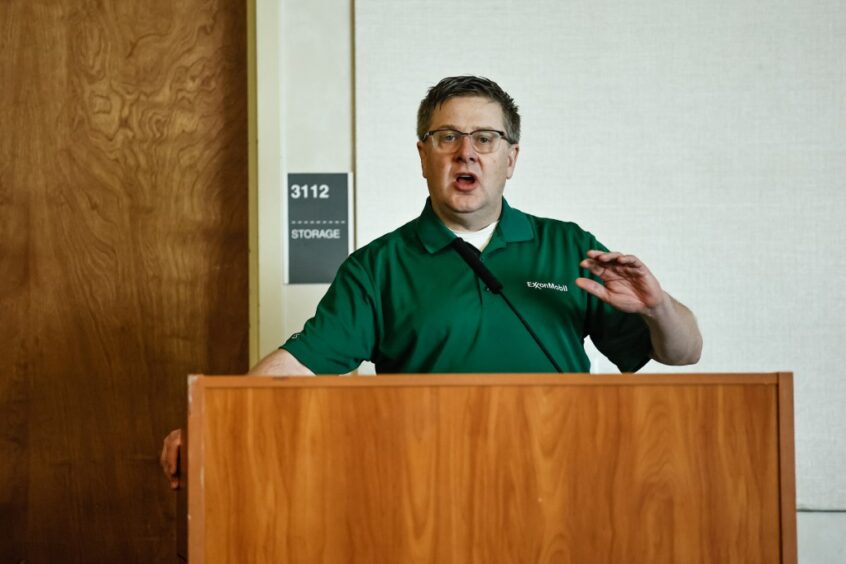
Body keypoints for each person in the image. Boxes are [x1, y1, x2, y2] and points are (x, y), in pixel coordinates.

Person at [160, 76, 702, 488]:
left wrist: (657, 308)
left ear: (511, 158)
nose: (467, 152)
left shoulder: (568, 246)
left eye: (486, 138)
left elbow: (683, 353)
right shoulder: (378, 266)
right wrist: (211, 424)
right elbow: (297, 365)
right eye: (447, 137)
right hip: (428, 488)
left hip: (560, 475)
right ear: (423, 155)